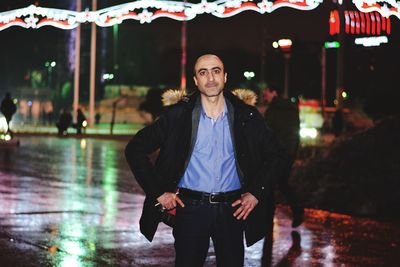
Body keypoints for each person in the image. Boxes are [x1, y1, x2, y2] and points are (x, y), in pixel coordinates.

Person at [125, 54, 289, 267]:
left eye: (216, 71)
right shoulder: (177, 116)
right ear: (195, 80)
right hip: (191, 209)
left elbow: (278, 154)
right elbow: (135, 149)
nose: (210, 78)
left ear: (225, 76)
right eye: (203, 72)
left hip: (232, 210)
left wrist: (256, 192)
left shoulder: (245, 116)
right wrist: (158, 193)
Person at [263, 85, 304, 227]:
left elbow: (267, 133)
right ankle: (297, 210)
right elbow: (296, 132)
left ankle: (269, 216)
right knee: (282, 183)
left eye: (266, 93)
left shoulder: (273, 110)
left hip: (277, 153)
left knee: (271, 183)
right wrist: (294, 152)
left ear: (273, 92)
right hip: (289, 153)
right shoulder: (292, 109)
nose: (264, 96)